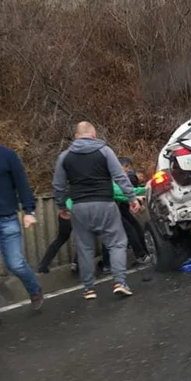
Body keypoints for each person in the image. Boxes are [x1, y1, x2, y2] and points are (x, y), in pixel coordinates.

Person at [53, 122, 140, 300]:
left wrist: (62, 206)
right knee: (116, 243)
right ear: (94, 135)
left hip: (79, 207)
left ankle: (88, 289)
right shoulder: (105, 151)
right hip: (105, 204)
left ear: (76, 136)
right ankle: (119, 282)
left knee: (85, 248)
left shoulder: (65, 156)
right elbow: (120, 176)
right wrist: (131, 198)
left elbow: (58, 185)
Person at [0, 115, 44, 331]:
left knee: (15, 263)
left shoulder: (7, 156)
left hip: (6, 219)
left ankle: (34, 289)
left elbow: (22, 184)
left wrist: (29, 211)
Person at [36, 208, 78, 275]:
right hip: (80, 213)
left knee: (60, 239)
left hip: (65, 215)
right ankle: (76, 264)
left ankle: (44, 264)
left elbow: (60, 198)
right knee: (82, 240)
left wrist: (64, 208)